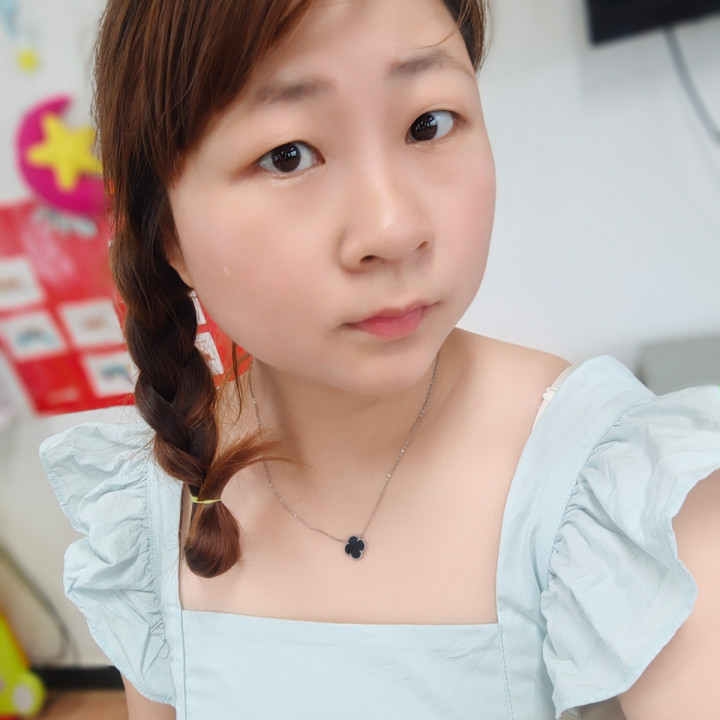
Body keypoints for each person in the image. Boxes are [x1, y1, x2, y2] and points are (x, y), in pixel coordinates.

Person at [39, 0, 720, 718]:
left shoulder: (620, 492)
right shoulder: (153, 504)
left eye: (428, 124)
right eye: (288, 155)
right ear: (167, 232)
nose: (393, 229)